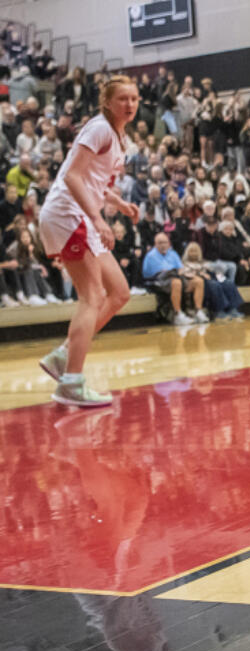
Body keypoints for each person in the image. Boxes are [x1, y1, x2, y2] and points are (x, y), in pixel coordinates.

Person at [35, 77, 140, 407]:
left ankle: (64, 356)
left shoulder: (119, 137)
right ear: (107, 102)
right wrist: (97, 218)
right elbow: (72, 176)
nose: (130, 104)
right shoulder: (98, 129)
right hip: (70, 214)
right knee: (92, 296)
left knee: (119, 292)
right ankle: (71, 382)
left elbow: (93, 180)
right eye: (123, 98)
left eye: (135, 99)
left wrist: (118, 204)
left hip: (81, 215)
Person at [143, 231, 207, 327]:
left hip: (177, 276)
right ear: (155, 244)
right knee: (176, 282)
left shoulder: (173, 253)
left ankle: (198, 311)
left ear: (169, 243)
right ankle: (178, 314)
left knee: (198, 281)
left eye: (165, 242)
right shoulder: (150, 256)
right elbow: (152, 274)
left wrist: (187, 274)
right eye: (160, 243)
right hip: (159, 281)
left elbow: (180, 269)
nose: (163, 245)